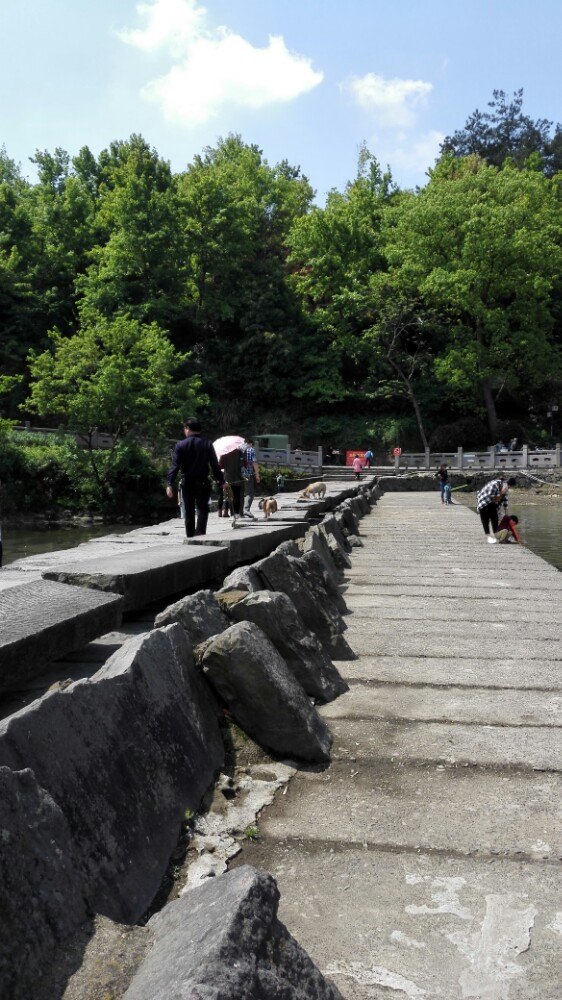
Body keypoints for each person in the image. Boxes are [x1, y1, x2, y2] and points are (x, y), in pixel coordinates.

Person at [166, 418, 223, 538]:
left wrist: (169, 483)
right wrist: (222, 481)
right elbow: (214, 465)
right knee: (203, 509)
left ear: (187, 429)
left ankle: (190, 536)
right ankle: (200, 534)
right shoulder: (207, 444)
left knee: (189, 510)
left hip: (187, 481)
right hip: (203, 481)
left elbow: (175, 466)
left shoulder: (180, 445)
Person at [220, 446, 245, 524]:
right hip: (238, 477)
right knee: (237, 496)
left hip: (228, 478)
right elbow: (244, 463)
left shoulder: (224, 453)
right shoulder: (240, 452)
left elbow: (221, 465)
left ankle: (232, 514)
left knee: (230, 496)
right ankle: (237, 513)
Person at [242, 437, 260, 519]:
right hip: (248, 474)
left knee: (239, 493)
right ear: (251, 443)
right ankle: (246, 510)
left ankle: (237, 511)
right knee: (249, 493)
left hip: (237, 475)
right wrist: (257, 475)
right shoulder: (251, 450)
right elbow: (255, 463)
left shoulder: (238, 449)